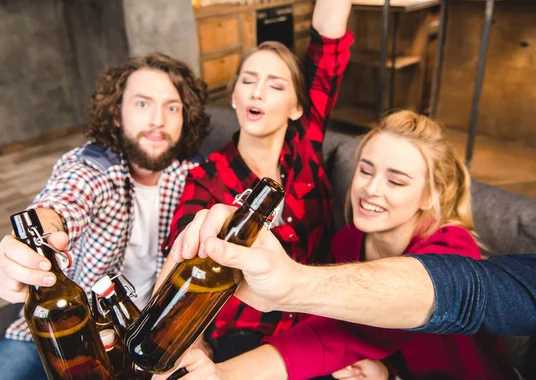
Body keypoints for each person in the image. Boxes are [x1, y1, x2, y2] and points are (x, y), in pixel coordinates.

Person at [165, 111, 519, 379]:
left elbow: (363, 325)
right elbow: (333, 334)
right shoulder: (348, 240)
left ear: (430, 195)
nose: (371, 189)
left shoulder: (451, 248)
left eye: (396, 181)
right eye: (366, 171)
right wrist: (221, 374)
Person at [0, 53, 210, 380]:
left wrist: (197, 338)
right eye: (142, 104)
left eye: (172, 107)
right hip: (71, 327)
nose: (158, 120)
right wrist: (31, 244)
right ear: (116, 116)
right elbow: (63, 200)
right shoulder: (94, 167)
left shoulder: (197, 179)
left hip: (143, 339)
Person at [158, 0, 356, 362]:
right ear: (234, 97)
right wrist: (190, 345)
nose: (257, 91)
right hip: (246, 337)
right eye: (248, 81)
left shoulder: (307, 144)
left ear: (298, 107)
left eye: (275, 84)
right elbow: (180, 270)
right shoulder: (206, 179)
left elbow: (328, 43)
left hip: (317, 318)